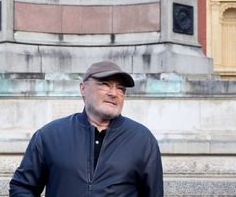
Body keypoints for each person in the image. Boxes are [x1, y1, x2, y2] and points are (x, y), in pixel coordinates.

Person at [9, 60, 164, 196]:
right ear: (83, 88)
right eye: (105, 84)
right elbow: (22, 187)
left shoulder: (142, 140)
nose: (114, 93)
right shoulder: (50, 135)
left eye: (121, 89)